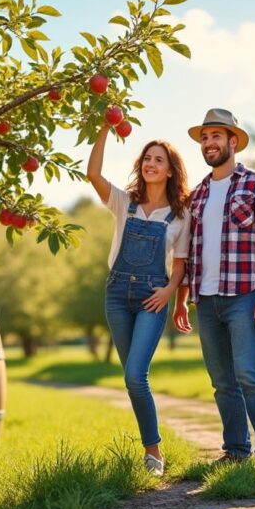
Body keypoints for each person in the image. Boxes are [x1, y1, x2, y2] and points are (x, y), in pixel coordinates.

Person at [174, 108, 255, 471]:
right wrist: (183, 299)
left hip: (246, 296)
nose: (209, 143)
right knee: (222, 380)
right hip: (205, 300)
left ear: (232, 141)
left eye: (216, 136)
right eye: (204, 138)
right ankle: (236, 451)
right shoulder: (198, 194)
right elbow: (188, 252)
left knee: (249, 375)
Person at [86, 123, 192, 476]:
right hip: (116, 294)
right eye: (147, 158)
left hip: (153, 297)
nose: (151, 164)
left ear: (170, 169)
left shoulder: (180, 215)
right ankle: (153, 450)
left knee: (135, 375)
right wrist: (103, 128)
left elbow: (180, 263)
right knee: (131, 378)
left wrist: (169, 292)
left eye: (158, 159)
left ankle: (154, 453)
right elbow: (92, 173)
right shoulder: (124, 202)